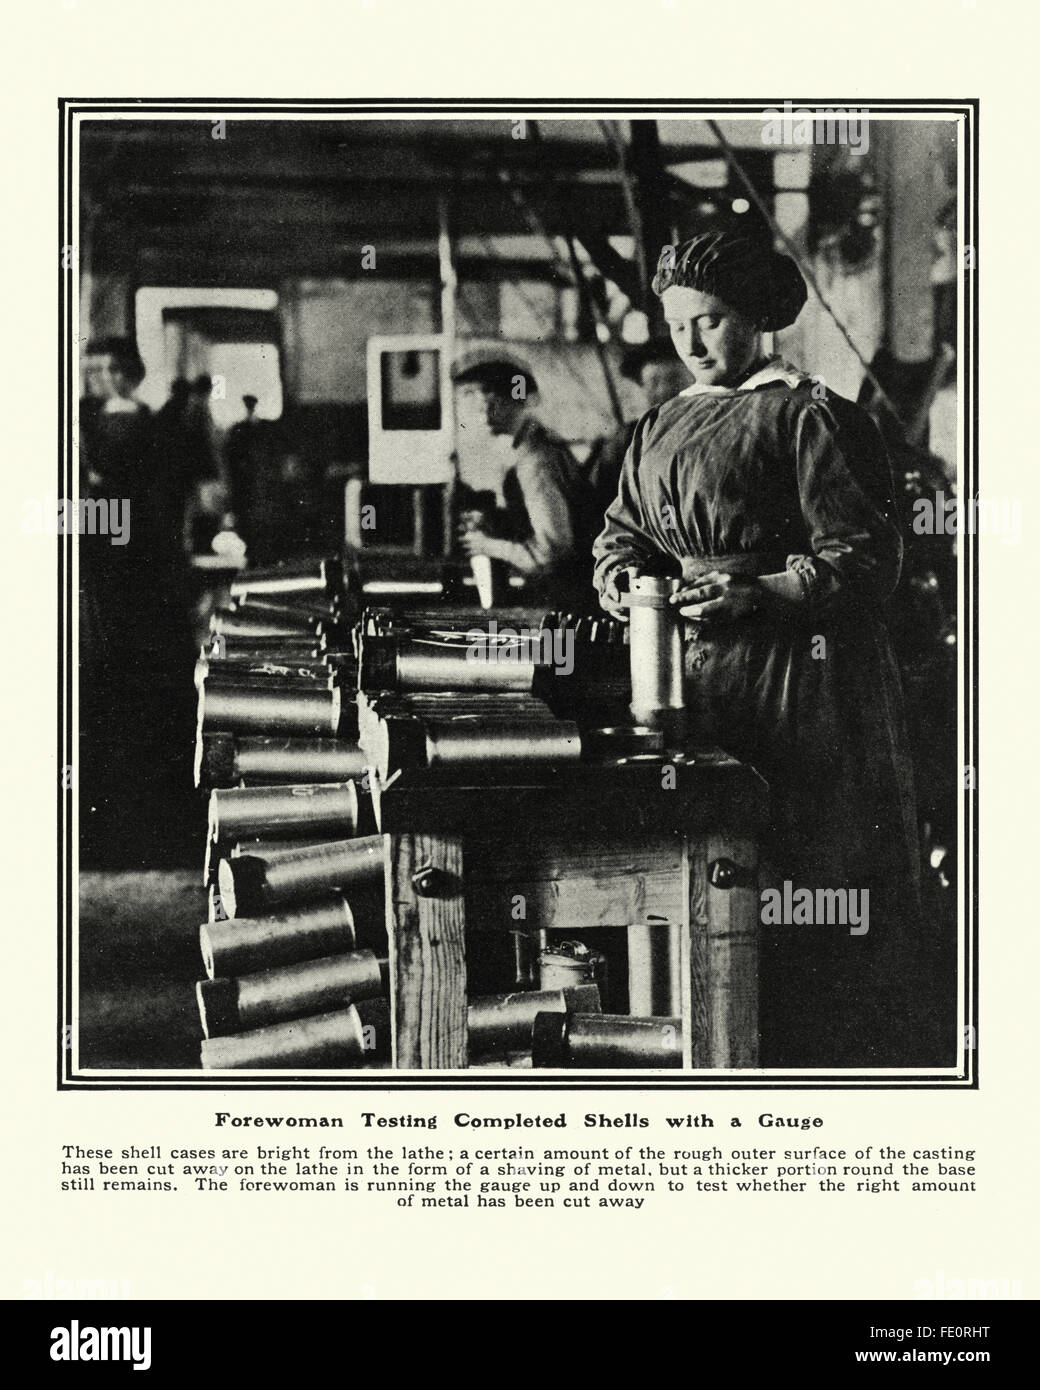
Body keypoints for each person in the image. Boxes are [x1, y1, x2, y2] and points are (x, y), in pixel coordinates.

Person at [593, 229, 931, 1068]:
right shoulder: (662, 426)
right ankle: (724, 1045)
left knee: (804, 864)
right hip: (703, 685)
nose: (692, 342)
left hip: (804, 684)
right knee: (717, 863)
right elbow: (619, 535)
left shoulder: (809, 415)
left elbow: (866, 557)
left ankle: (815, 1058)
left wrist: (762, 592)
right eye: (677, 326)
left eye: (709, 321)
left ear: (754, 319)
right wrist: (623, 579)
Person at [452, 358, 594, 612]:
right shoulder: (535, 449)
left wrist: (489, 546)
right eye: (475, 400)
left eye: (492, 401)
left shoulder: (537, 461)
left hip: (567, 602)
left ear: (516, 401)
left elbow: (552, 551)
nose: (483, 411)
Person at [584, 338, 691, 520]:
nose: (665, 390)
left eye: (674, 379)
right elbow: (595, 502)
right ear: (642, 387)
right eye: (654, 382)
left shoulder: (717, 430)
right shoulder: (625, 441)